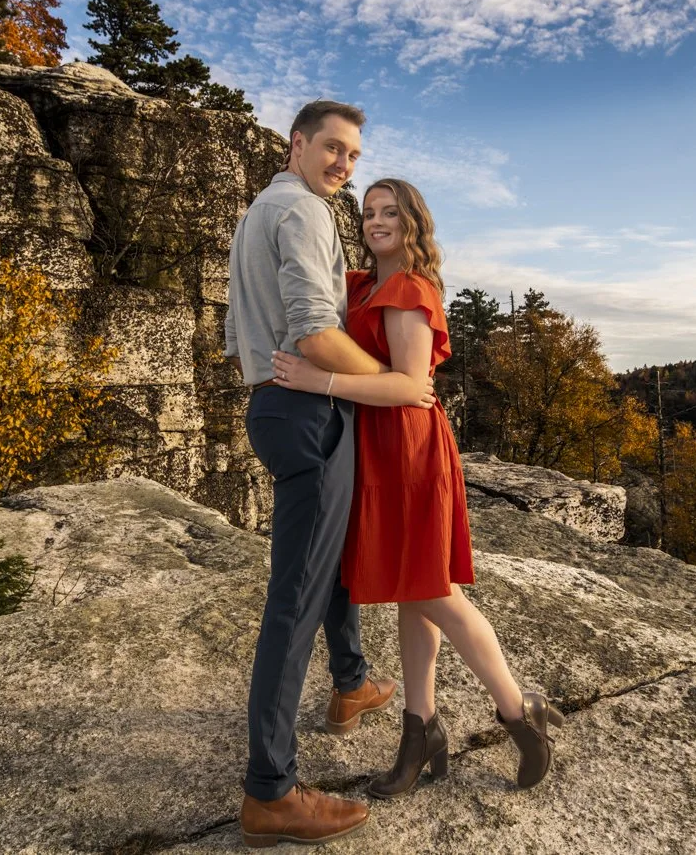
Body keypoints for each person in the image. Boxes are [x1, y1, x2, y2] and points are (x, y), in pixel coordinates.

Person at [271, 177, 565, 801]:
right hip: (380, 451)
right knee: (414, 590)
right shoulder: (361, 283)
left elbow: (409, 388)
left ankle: (519, 711)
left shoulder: (408, 291)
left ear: (413, 221)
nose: (376, 221)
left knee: (433, 591)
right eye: (368, 212)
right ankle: (421, 728)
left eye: (390, 212)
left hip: (409, 452)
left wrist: (316, 380)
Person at [223, 101, 435, 849]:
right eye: (333, 149)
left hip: (272, 404)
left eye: (353, 153)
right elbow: (315, 331)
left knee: (331, 555)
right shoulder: (306, 212)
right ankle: (271, 790)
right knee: (296, 593)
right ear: (298, 144)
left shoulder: (257, 212)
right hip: (306, 409)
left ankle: (351, 680)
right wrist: (389, 375)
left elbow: (236, 328)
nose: (344, 164)